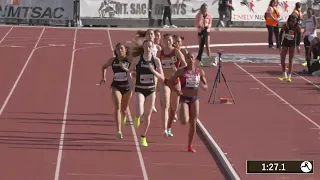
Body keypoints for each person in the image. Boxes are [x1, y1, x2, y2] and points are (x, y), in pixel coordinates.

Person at [167, 52, 208, 153]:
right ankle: (181, 111)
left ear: (194, 59)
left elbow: (205, 85)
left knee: (193, 123)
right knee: (184, 121)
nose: (190, 59)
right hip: (184, 98)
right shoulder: (181, 71)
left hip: (194, 99)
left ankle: (189, 146)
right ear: (185, 59)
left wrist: (203, 86)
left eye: (192, 57)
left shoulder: (199, 72)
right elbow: (169, 82)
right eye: (188, 57)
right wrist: (176, 91)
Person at [127, 40, 165, 147]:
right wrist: (131, 85)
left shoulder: (156, 61)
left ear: (153, 48)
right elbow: (129, 72)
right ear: (143, 48)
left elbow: (162, 78)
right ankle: (137, 117)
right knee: (139, 110)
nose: (148, 49)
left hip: (151, 90)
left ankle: (143, 137)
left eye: (150, 47)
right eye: (146, 47)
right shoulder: (137, 59)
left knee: (148, 116)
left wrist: (153, 71)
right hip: (139, 89)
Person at [99, 43, 131, 139]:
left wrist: (126, 69)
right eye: (117, 49)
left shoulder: (129, 60)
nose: (119, 51)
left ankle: (124, 116)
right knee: (117, 106)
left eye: (121, 49)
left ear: (125, 50)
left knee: (124, 110)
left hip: (127, 87)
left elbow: (135, 71)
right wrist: (103, 78)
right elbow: (104, 66)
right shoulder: (113, 60)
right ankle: (119, 130)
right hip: (116, 86)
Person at [159, 33, 186, 137]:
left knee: (173, 107)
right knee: (165, 105)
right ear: (163, 41)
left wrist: (177, 70)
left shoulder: (176, 52)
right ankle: (164, 128)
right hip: (165, 81)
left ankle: (169, 127)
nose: (167, 42)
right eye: (166, 40)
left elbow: (184, 65)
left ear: (172, 41)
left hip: (175, 81)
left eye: (169, 40)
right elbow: (155, 64)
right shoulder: (159, 53)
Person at [278, 15, 301, 82]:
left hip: (292, 43)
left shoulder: (297, 27)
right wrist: (279, 45)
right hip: (285, 42)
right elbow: (280, 34)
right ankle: (284, 74)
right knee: (282, 58)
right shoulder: (285, 25)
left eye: (294, 22)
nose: (293, 23)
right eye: (292, 22)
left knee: (291, 59)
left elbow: (299, 37)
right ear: (289, 20)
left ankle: (289, 76)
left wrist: (298, 46)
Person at [302, 8, 318, 72]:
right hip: (307, 36)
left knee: (315, 52)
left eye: (309, 12)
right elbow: (306, 28)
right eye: (307, 12)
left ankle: (315, 66)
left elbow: (316, 24)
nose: (308, 13)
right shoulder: (307, 20)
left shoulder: (313, 17)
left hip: (312, 36)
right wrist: (303, 33)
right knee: (307, 52)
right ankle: (309, 68)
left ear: (312, 12)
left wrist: (313, 30)